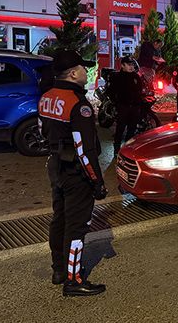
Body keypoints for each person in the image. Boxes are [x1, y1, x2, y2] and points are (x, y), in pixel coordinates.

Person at [38, 50, 107, 296]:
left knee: (60, 219)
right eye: (83, 68)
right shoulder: (78, 104)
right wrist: (97, 182)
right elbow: (84, 148)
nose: (86, 72)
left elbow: (42, 133)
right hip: (75, 171)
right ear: (73, 73)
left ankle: (58, 269)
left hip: (55, 166)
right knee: (77, 227)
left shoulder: (47, 97)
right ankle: (74, 280)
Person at [107, 56, 144, 155]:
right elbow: (111, 92)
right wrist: (117, 103)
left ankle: (127, 151)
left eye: (132, 64)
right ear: (122, 66)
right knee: (120, 129)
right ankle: (116, 150)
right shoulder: (117, 77)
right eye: (128, 65)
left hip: (135, 107)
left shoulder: (136, 77)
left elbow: (140, 90)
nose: (131, 67)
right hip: (123, 107)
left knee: (132, 130)